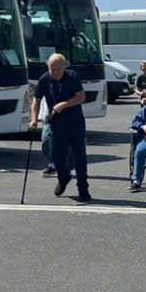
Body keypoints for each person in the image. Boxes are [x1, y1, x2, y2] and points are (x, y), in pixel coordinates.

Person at [31, 53, 91, 201]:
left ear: (64, 67)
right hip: (56, 124)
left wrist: (64, 104)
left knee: (79, 157)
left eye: (58, 69)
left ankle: (83, 188)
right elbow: (36, 100)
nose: (55, 72)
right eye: (52, 69)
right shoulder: (44, 79)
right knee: (57, 157)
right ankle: (63, 178)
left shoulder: (72, 77)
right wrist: (34, 119)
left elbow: (81, 97)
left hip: (75, 123)